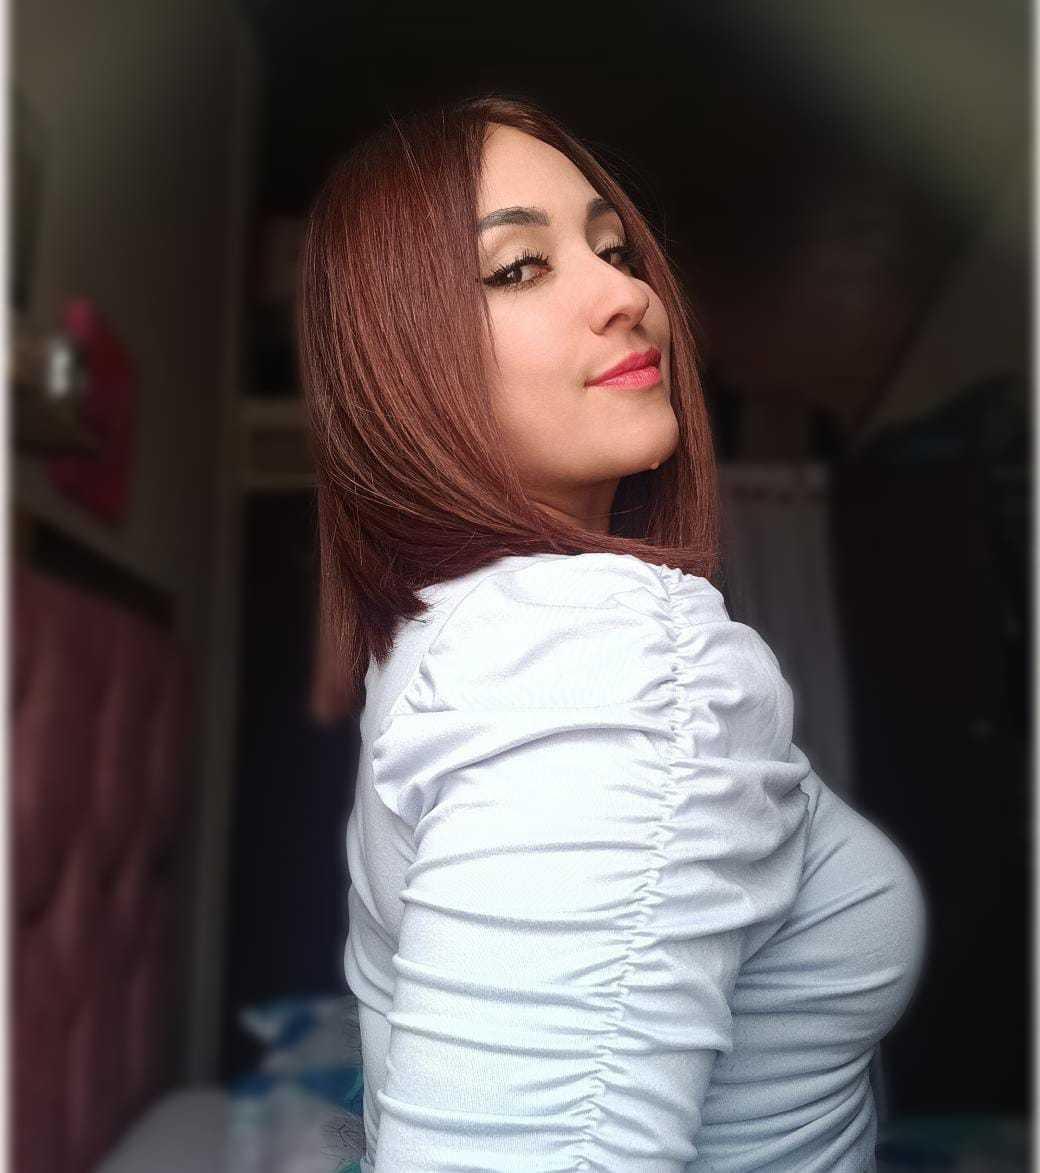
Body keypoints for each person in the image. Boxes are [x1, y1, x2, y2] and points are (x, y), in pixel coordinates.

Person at [296, 93, 927, 1173]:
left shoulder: (465, 642)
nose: (630, 294)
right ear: (398, 362)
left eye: (613, 249)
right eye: (518, 268)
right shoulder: (590, 653)